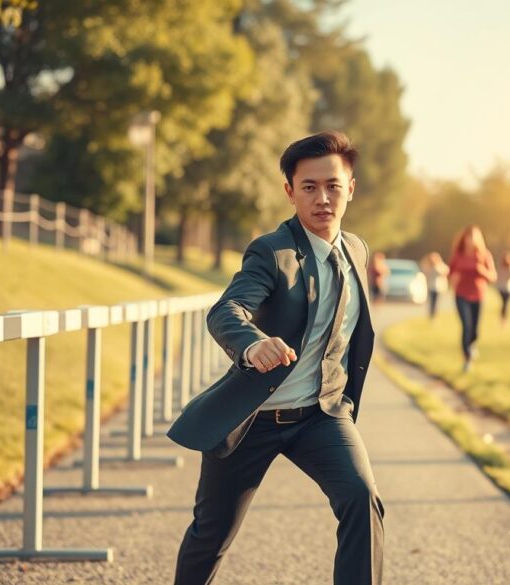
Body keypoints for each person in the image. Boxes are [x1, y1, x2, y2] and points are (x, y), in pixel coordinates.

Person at [167, 131, 383, 585]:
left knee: (361, 498)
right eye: (309, 187)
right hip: (253, 418)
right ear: (290, 192)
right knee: (212, 534)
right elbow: (227, 309)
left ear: (351, 188)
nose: (322, 198)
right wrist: (251, 343)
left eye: (333, 186)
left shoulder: (357, 250)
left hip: (320, 415)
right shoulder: (272, 252)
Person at [448, 225, 497, 372]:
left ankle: (472, 344)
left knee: (475, 330)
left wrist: (482, 271)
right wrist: (453, 278)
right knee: (466, 325)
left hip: (478, 295)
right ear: (464, 239)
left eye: (473, 237)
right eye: (468, 237)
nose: (470, 240)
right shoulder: (458, 256)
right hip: (461, 295)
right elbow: (450, 275)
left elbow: (493, 277)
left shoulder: (484, 255)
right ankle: (467, 358)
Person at [421, 251, 449, 319]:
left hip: (438, 287)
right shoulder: (428, 266)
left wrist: (436, 266)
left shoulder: (440, 266)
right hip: (431, 287)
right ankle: (431, 315)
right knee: (431, 302)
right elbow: (425, 274)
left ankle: (435, 315)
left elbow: (445, 272)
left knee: (436, 302)